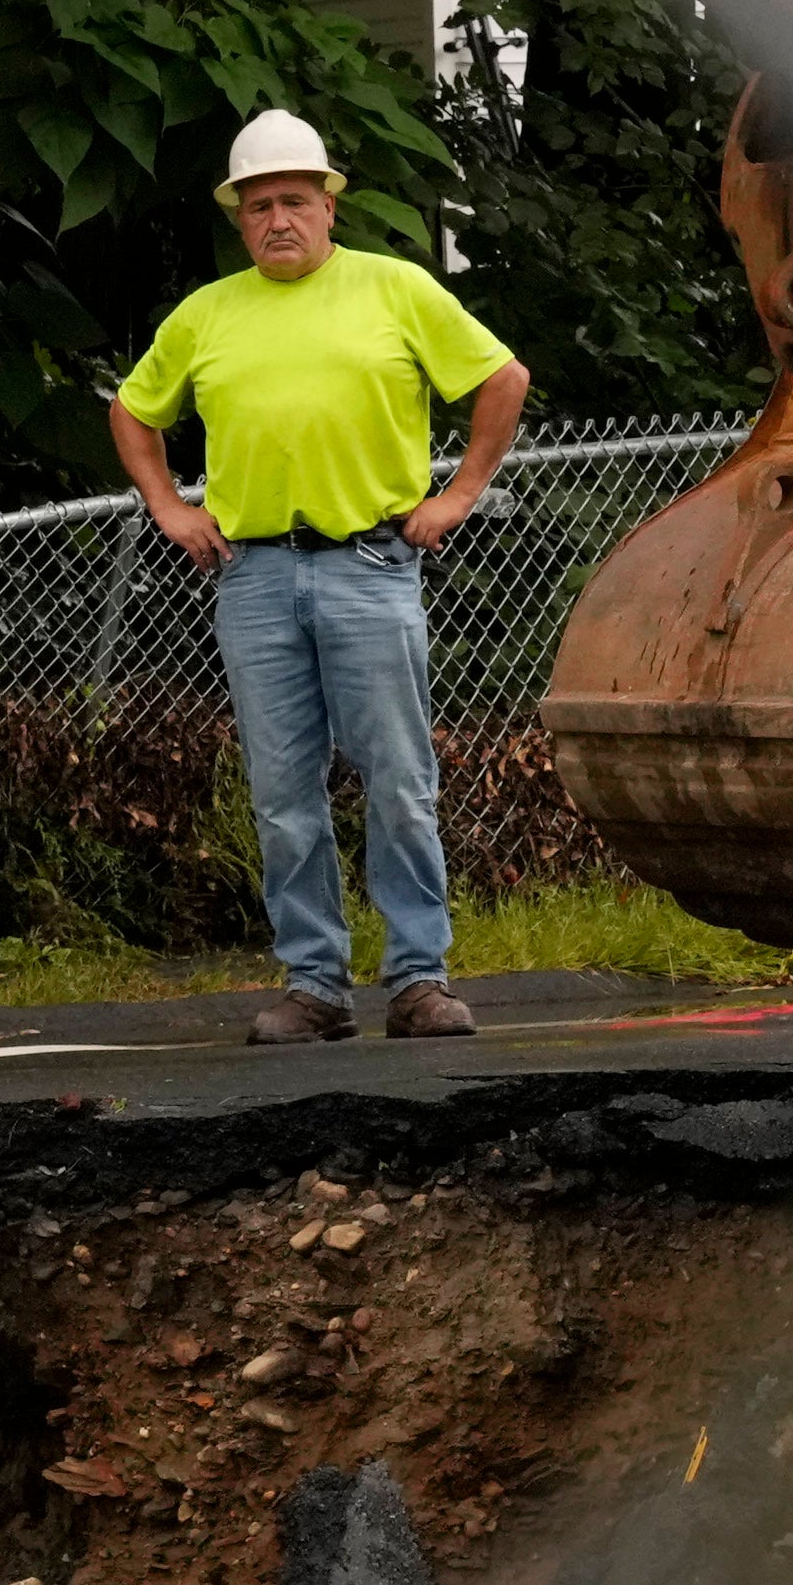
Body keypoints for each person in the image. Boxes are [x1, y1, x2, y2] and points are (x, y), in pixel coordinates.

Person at [107, 109, 531, 1046]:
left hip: (371, 562)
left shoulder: (396, 290)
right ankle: (316, 986)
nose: (277, 221)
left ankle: (419, 979)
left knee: (398, 779)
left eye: (294, 200)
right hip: (252, 575)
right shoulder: (206, 314)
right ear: (239, 219)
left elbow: (502, 378)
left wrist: (458, 494)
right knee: (283, 789)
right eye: (258, 207)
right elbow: (133, 412)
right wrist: (171, 510)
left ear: (328, 204)